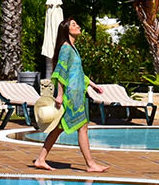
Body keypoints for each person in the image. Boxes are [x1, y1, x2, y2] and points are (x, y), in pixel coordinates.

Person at [30, 18, 107, 173]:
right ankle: (90, 164)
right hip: (70, 97)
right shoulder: (66, 48)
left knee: (59, 128)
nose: (78, 25)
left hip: (76, 95)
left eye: (76, 23)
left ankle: (40, 159)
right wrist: (59, 94)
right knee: (83, 127)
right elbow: (60, 72)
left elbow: (77, 73)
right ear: (66, 30)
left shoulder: (72, 48)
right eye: (74, 24)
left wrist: (92, 85)